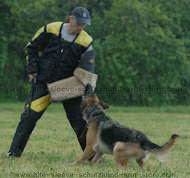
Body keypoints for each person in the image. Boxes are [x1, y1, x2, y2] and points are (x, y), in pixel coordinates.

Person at [7, 7, 96, 157]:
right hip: (44, 82)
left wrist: (87, 90)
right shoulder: (51, 28)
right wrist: (32, 70)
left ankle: (91, 157)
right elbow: (32, 48)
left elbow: (88, 67)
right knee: (29, 116)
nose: (81, 27)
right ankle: (14, 153)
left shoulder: (86, 41)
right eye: (80, 23)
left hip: (68, 86)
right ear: (71, 18)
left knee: (79, 122)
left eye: (84, 24)